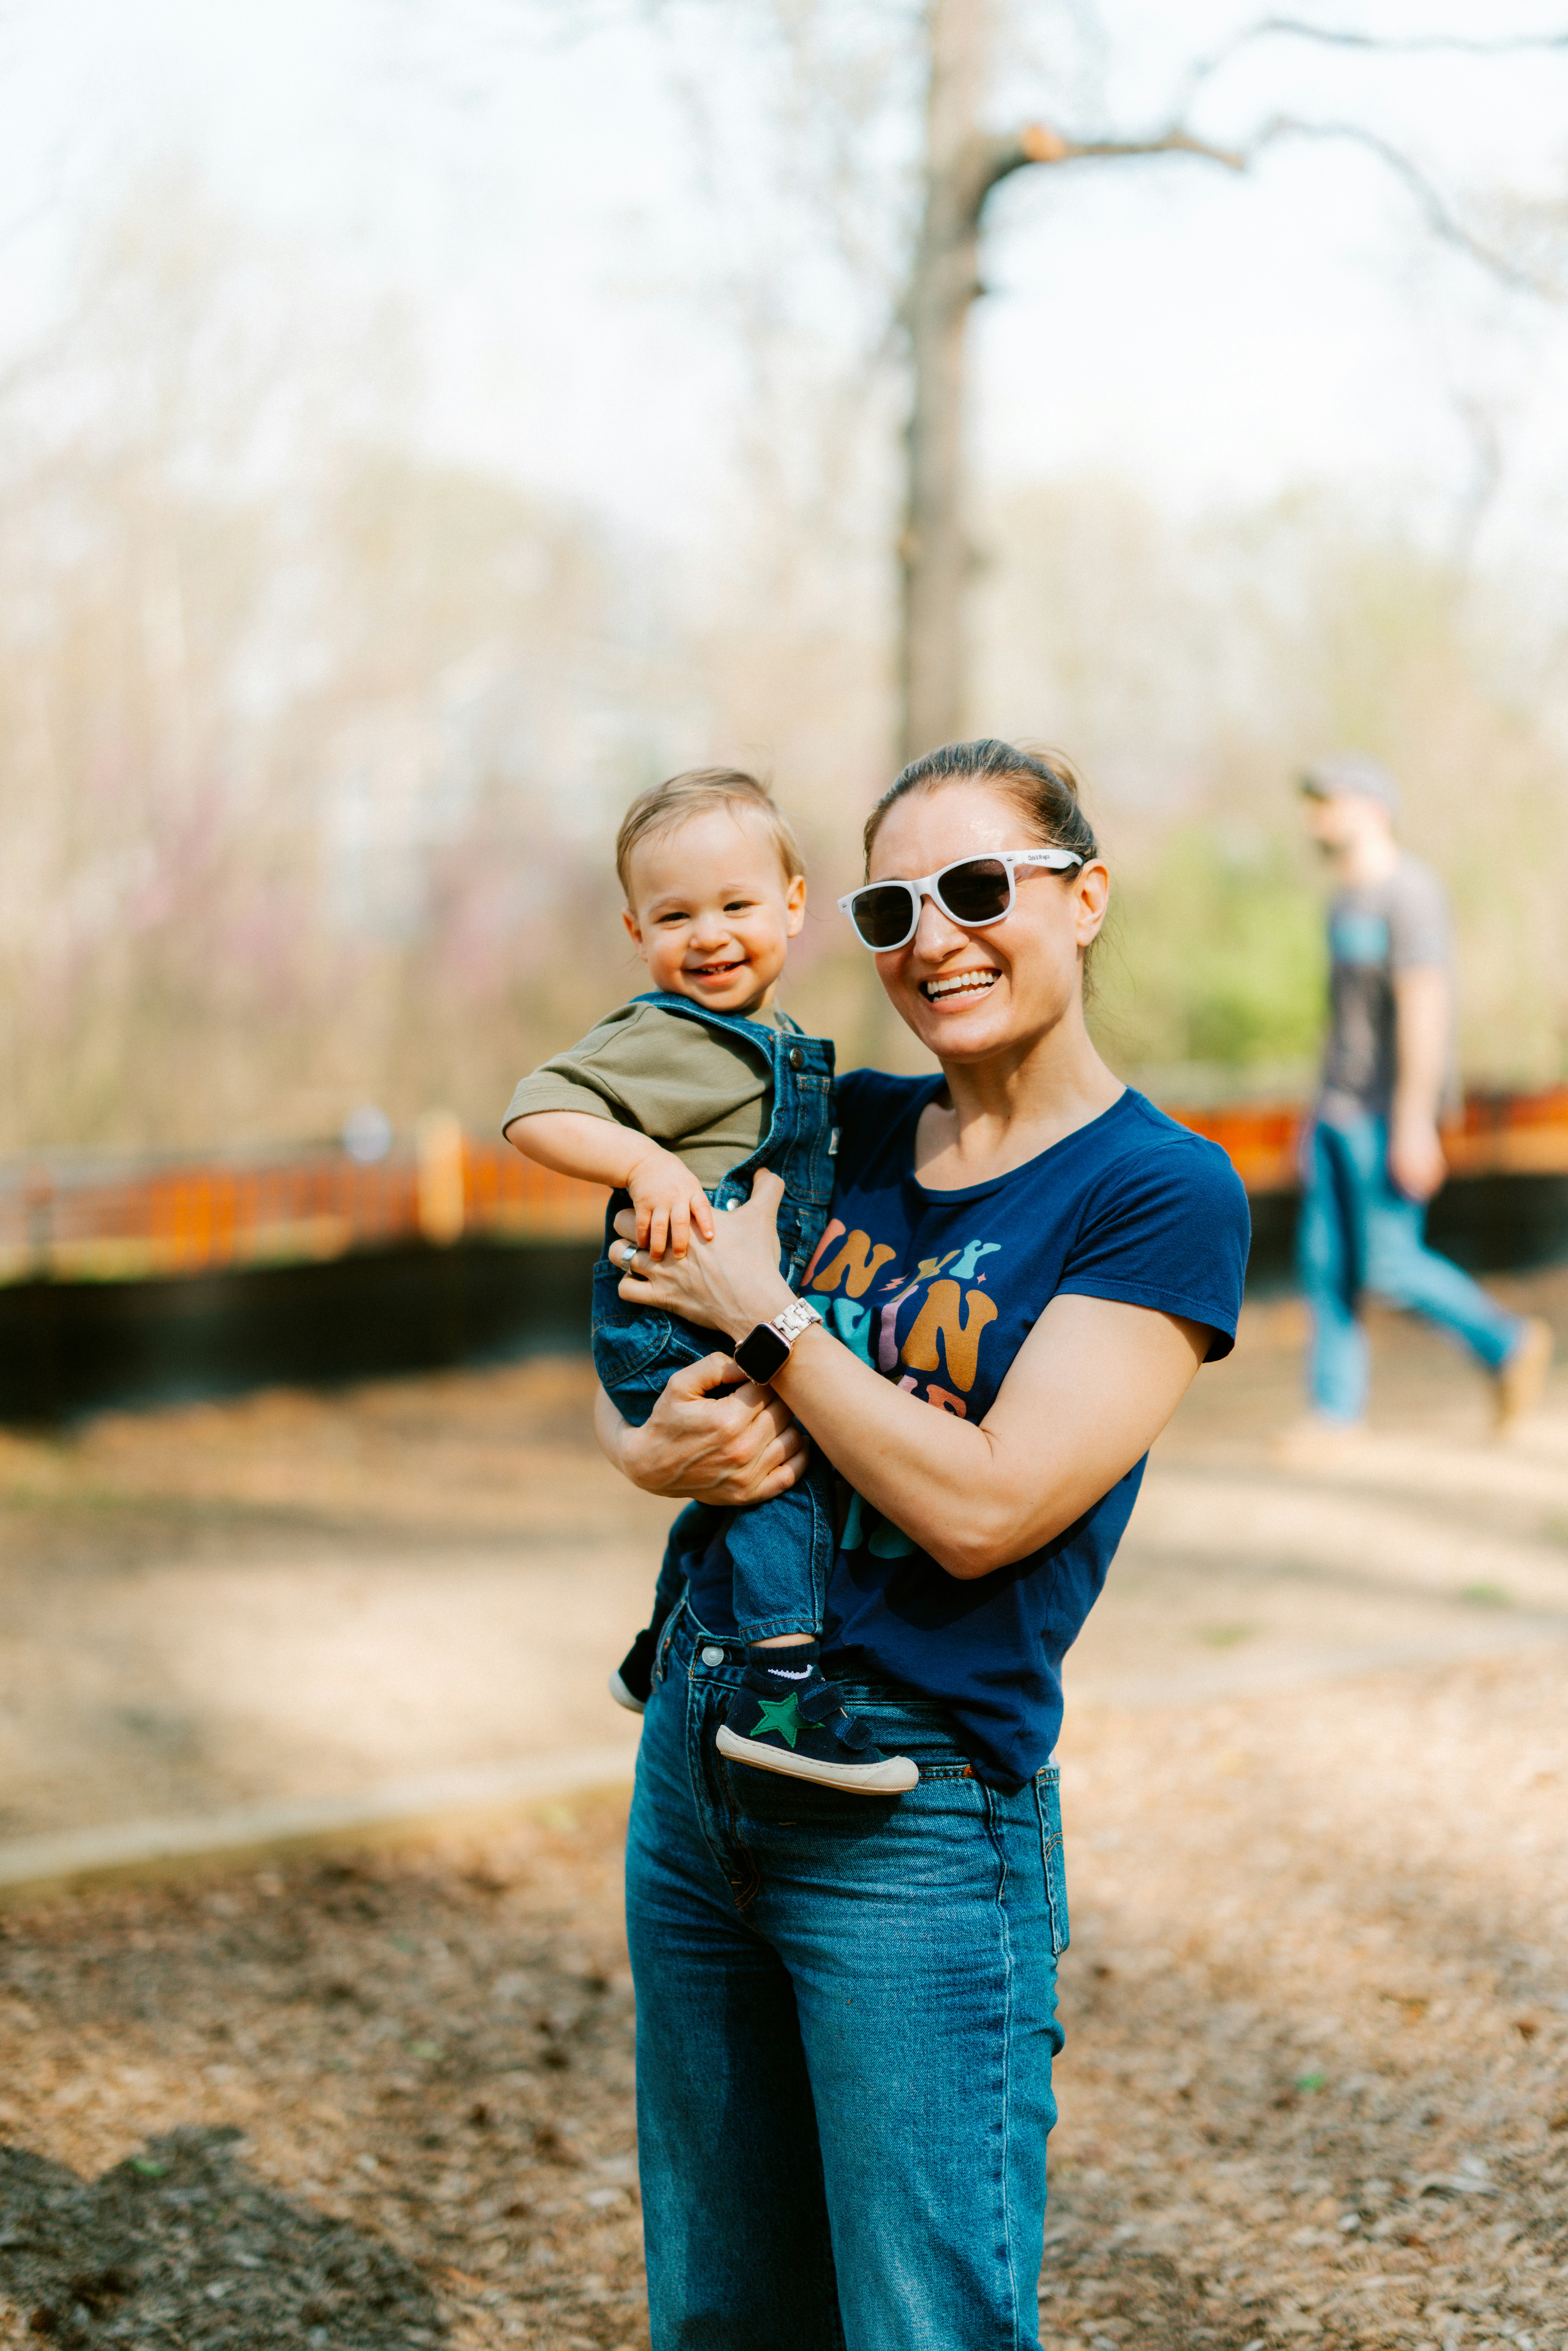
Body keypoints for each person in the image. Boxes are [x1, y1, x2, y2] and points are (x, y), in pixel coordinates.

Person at [593, 739, 1251, 2351]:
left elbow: (982, 1507)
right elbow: (635, 1273)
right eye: (894, 905)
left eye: (977, 889)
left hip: (913, 1821)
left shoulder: (1156, 1195)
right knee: (722, 2314)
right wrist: (636, 1447)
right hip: (697, 1771)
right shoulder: (840, 1124)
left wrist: (768, 1323)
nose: (933, 938)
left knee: (919, 2325)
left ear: (1083, 898)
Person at [503, 767, 915, 1793]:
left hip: (724, 1314)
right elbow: (532, 1108)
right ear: (637, 933)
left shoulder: (768, 1040)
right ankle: (778, 1691)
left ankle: (663, 1644)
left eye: (736, 905)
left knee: (728, 1491)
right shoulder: (662, 1037)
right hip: (678, 1321)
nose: (711, 934)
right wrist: (642, 1164)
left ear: (792, 905)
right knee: (784, 1475)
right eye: (676, 914)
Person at [1292, 753, 1551, 1445]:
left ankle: (1506, 1343)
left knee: (1387, 1266)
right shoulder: (1342, 899)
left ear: (1371, 808)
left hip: (1384, 1117)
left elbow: (1424, 1009)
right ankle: (1333, 1415)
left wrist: (1413, 1123)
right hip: (1334, 1110)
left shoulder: (1408, 893)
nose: (1313, 814)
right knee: (1326, 1265)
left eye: (1326, 799)